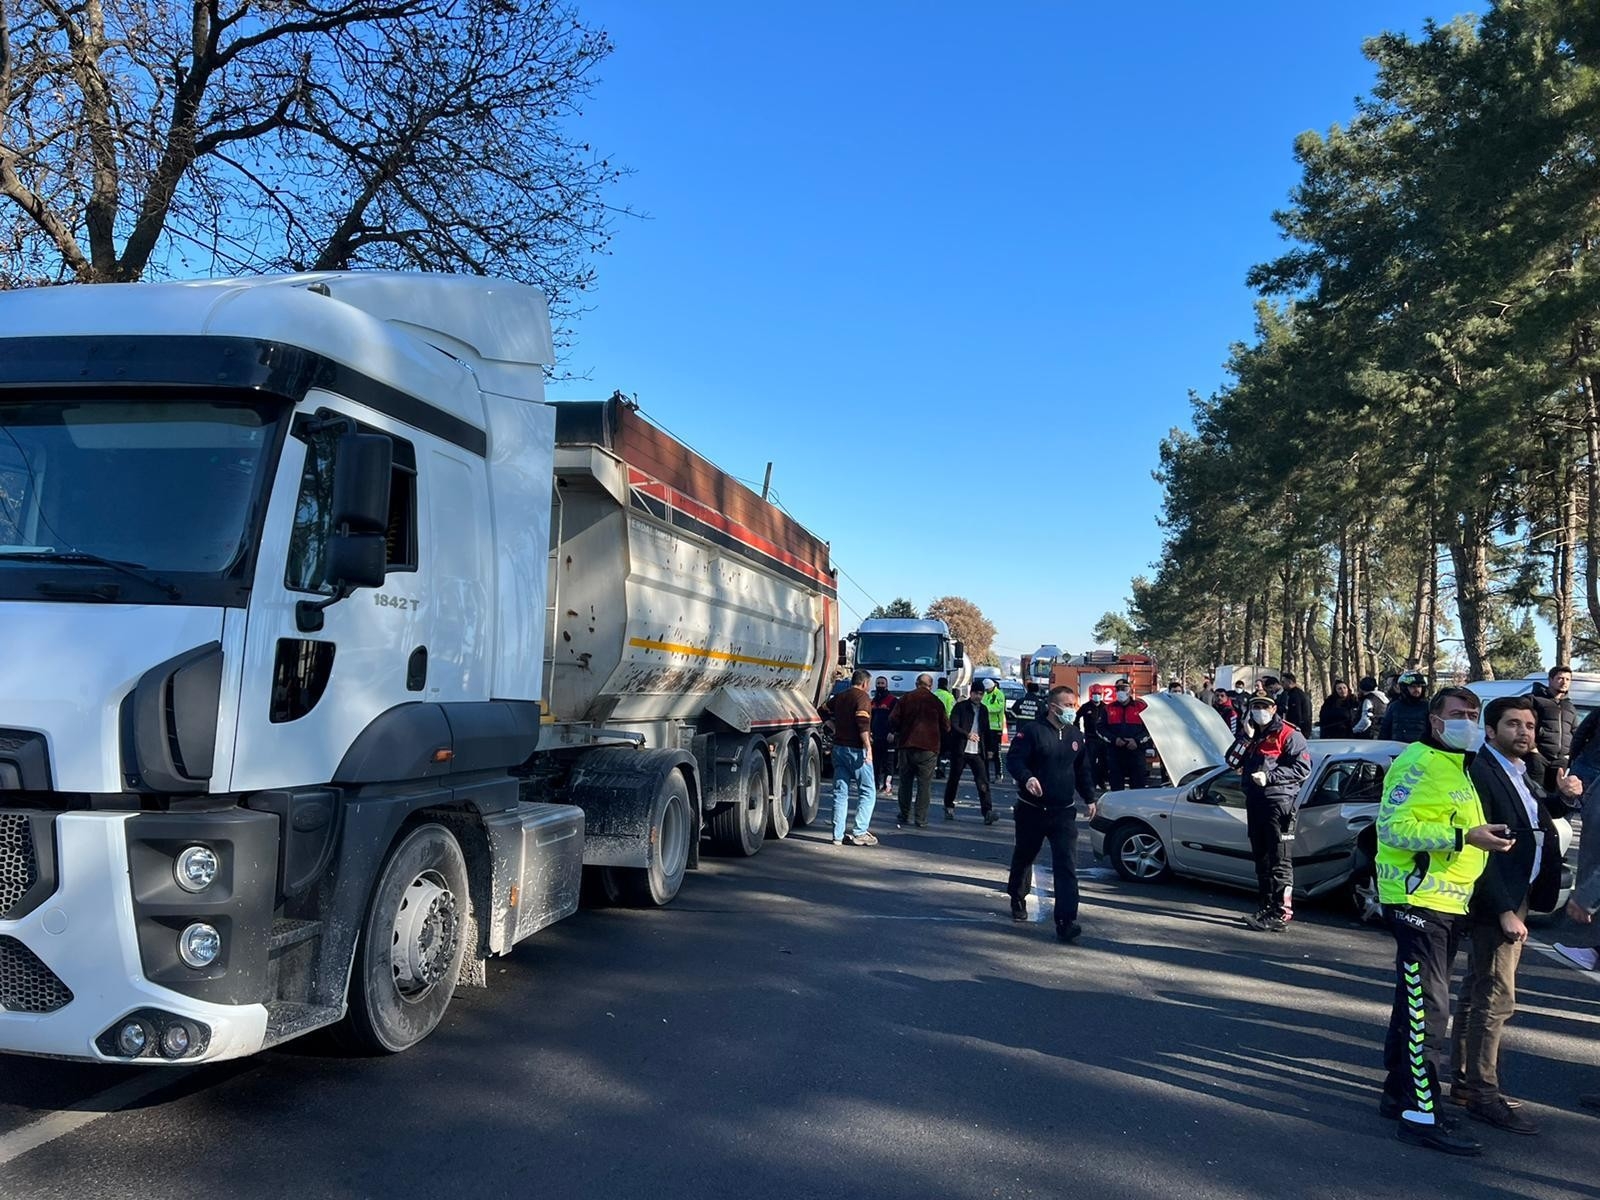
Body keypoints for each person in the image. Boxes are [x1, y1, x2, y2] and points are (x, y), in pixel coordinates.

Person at [1375, 685, 1514, 1156]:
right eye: (1458, 714)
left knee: (1413, 1002)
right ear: (1435, 721)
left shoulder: (1458, 764)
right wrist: (1464, 835)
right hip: (1417, 902)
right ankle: (1421, 1114)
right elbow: (1391, 826)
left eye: (1473, 714)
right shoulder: (1417, 761)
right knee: (1427, 1010)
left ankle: (1399, 1094)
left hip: (1447, 904)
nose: (1467, 721)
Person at [1449, 695, 1580, 1135]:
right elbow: (1481, 851)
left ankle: (1466, 1082)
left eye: (1528, 725)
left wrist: (1560, 801)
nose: (1524, 732)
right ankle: (1483, 1095)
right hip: (1499, 900)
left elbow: (1530, 824)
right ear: (1490, 731)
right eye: (1513, 725)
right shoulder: (1482, 772)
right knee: (1496, 998)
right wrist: (1504, 909)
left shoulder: (1519, 770)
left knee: (1477, 989)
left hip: (1517, 894)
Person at [1005, 685, 1097, 942]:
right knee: (1024, 856)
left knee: (1066, 866)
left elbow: (1082, 771)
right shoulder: (1032, 732)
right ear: (1052, 706)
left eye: (1073, 704)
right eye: (1067, 705)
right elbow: (1014, 760)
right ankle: (1017, 896)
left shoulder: (1076, 736)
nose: (1071, 709)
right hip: (1032, 810)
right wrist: (1027, 778)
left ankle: (1067, 920)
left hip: (1063, 812)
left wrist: (1090, 798)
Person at [1233, 695, 1311, 931]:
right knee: (1262, 858)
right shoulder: (1252, 734)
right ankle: (1266, 907)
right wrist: (1246, 737)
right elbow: (1231, 759)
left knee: (1280, 859)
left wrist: (1270, 777)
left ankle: (1280, 913)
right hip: (1255, 802)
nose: (1259, 711)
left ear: (1274, 709)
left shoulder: (1289, 734)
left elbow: (1302, 768)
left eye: (1264, 707)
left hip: (1280, 803)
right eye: (1255, 707)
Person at [827, 669, 879, 847]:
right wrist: (868, 747)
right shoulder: (862, 698)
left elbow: (822, 711)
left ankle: (837, 836)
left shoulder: (840, 697)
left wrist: (833, 728)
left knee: (840, 792)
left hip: (838, 748)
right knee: (867, 791)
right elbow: (863, 724)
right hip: (856, 750)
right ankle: (860, 831)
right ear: (865, 683)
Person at [891, 673, 949, 828]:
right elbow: (946, 726)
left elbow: (893, 719)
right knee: (924, 785)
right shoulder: (936, 702)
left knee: (905, 782)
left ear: (917, 683)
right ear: (930, 686)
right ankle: (920, 818)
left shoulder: (905, 698)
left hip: (907, 745)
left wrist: (899, 731)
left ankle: (904, 814)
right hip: (929, 748)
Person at [945, 682, 995, 823]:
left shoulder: (984, 710)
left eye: (981, 694)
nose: (978, 696)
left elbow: (987, 730)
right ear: (971, 693)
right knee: (954, 780)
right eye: (976, 693)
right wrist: (967, 735)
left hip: (977, 751)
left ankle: (987, 811)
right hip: (961, 750)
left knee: (983, 781)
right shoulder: (960, 707)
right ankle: (949, 805)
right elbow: (953, 725)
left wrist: (990, 749)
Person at [1527, 665, 1578, 794]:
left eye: (1567, 679)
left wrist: (1569, 755)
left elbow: (1575, 731)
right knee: (1534, 794)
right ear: (1550, 680)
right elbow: (1525, 725)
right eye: (1560, 678)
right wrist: (1533, 749)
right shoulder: (1534, 700)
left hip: (1560, 760)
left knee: (1555, 797)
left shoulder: (1569, 706)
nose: (1564, 682)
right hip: (1538, 757)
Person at [1098, 678, 1150, 790]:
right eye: (1118, 689)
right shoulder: (1108, 709)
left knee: (1138, 789)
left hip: (1136, 753)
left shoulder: (1141, 707)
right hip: (1115, 755)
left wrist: (1137, 741)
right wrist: (1114, 740)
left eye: (1123, 688)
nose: (1120, 691)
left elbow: (1151, 729)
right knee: (1116, 789)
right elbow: (1100, 729)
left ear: (1130, 690)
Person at [1380, 671, 1430, 743]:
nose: (1417, 689)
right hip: (1397, 750)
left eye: (1419, 686)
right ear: (1404, 688)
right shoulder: (1394, 707)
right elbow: (1385, 730)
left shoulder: (1428, 707)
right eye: (1412, 686)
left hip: (1421, 750)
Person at [1076, 692, 1110, 792]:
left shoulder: (1105, 707)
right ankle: (1092, 783)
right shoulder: (1086, 707)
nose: (1097, 696)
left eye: (1099, 693)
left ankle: (1101, 780)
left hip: (1103, 739)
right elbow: (1076, 718)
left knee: (1104, 761)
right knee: (1090, 761)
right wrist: (1078, 731)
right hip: (1091, 738)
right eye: (1095, 693)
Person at [870, 676, 897, 798]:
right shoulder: (873, 701)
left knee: (889, 765)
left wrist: (893, 732)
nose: (880, 685)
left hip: (888, 738)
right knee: (875, 764)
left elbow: (896, 718)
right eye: (878, 683)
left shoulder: (892, 700)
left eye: (882, 683)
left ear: (886, 685)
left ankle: (887, 787)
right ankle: (874, 786)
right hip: (876, 738)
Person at [980, 679, 1008, 781]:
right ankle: (985, 775)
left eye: (987, 689)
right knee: (984, 751)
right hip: (985, 727)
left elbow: (998, 707)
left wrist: (985, 708)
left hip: (996, 728)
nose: (986, 691)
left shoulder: (999, 695)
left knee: (996, 753)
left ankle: (998, 775)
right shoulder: (985, 694)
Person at [932, 676, 957, 779]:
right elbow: (952, 712)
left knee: (935, 750)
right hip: (944, 726)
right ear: (946, 684)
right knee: (944, 750)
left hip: (933, 726)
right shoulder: (949, 696)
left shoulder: (933, 695)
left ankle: (935, 769)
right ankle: (941, 770)